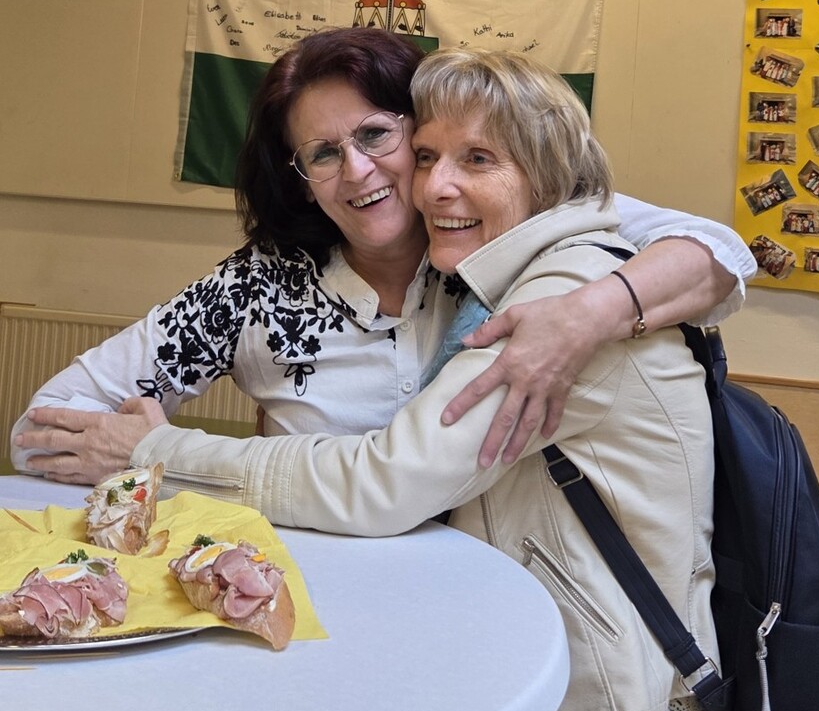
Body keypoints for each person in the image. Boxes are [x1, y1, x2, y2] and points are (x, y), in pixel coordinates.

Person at [60, 47, 730, 711]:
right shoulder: (459, 275)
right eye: (430, 156)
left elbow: (388, 480)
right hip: (479, 681)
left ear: (545, 172)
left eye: (476, 158)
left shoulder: (557, 296)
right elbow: (51, 417)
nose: (432, 184)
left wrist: (155, 451)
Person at [12, 28, 754, 483]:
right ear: (301, 181)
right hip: (311, 597)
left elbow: (717, 251)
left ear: (421, 132)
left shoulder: (499, 235)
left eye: (377, 135)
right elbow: (40, 429)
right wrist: (142, 456)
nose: (358, 171)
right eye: (323, 154)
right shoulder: (258, 288)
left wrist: (591, 313)